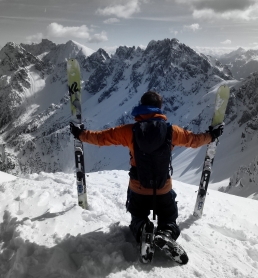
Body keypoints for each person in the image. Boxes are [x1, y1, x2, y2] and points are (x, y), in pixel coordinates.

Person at [70, 91, 224, 264]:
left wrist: (80, 134)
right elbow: (194, 140)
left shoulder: (130, 131)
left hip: (138, 187)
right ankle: (165, 233)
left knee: (137, 215)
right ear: (159, 108)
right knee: (169, 217)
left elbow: (102, 138)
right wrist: (212, 135)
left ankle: (143, 227)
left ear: (141, 107)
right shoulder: (171, 131)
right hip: (163, 186)